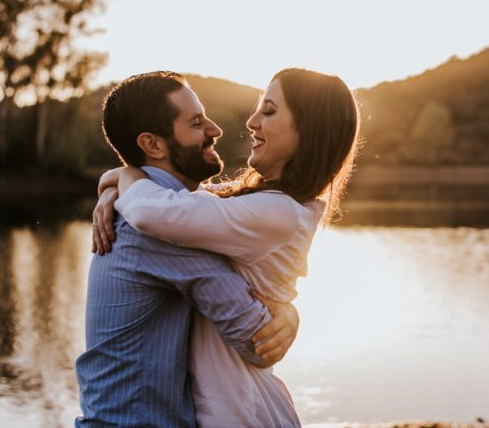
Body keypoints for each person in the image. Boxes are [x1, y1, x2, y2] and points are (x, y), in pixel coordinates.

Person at [92, 68, 360, 427]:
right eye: (196, 121)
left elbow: (157, 210)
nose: (249, 122)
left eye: (268, 110)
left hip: (240, 410)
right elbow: (187, 204)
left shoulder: (277, 212)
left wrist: (123, 176)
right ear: (152, 144)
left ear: (307, 131)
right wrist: (119, 181)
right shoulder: (258, 204)